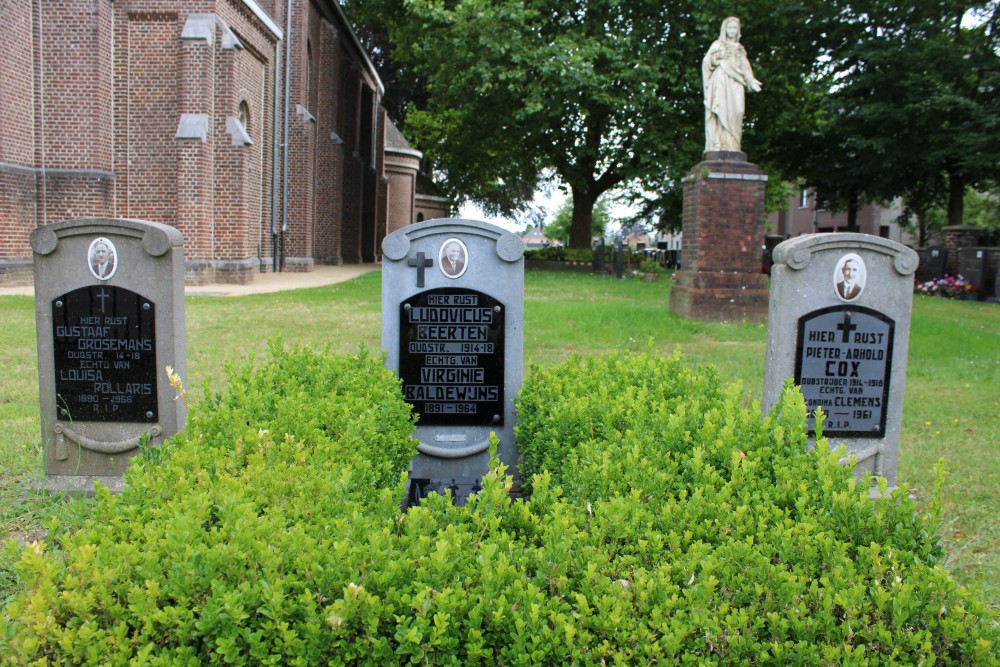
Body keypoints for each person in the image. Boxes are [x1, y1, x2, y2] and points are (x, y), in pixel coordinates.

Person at [702, 17, 762, 153]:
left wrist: (751, 80)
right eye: (730, 28)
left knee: (738, 110)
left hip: (736, 82)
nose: (732, 31)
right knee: (722, 109)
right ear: (725, 29)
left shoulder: (740, 49)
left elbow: (746, 68)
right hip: (722, 80)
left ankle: (733, 145)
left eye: (735, 28)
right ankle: (720, 143)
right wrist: (717, 58)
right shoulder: (717, 45)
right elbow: (707, 62)